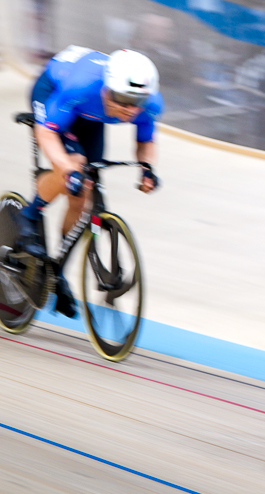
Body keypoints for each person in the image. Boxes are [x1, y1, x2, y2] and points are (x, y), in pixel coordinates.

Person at [22, 47, 163, 315]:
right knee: (74, 167)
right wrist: (68, 169)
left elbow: (146, 140)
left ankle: (57, 273)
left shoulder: (149, 103)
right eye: (122, 99)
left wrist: (147, 169)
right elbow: (46, 133)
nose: (129, 109)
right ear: (106, 89)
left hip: (92, 114)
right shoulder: (81, 86)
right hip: (54, 91)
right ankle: (29, 214)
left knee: (83, 196)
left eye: (136, 102)